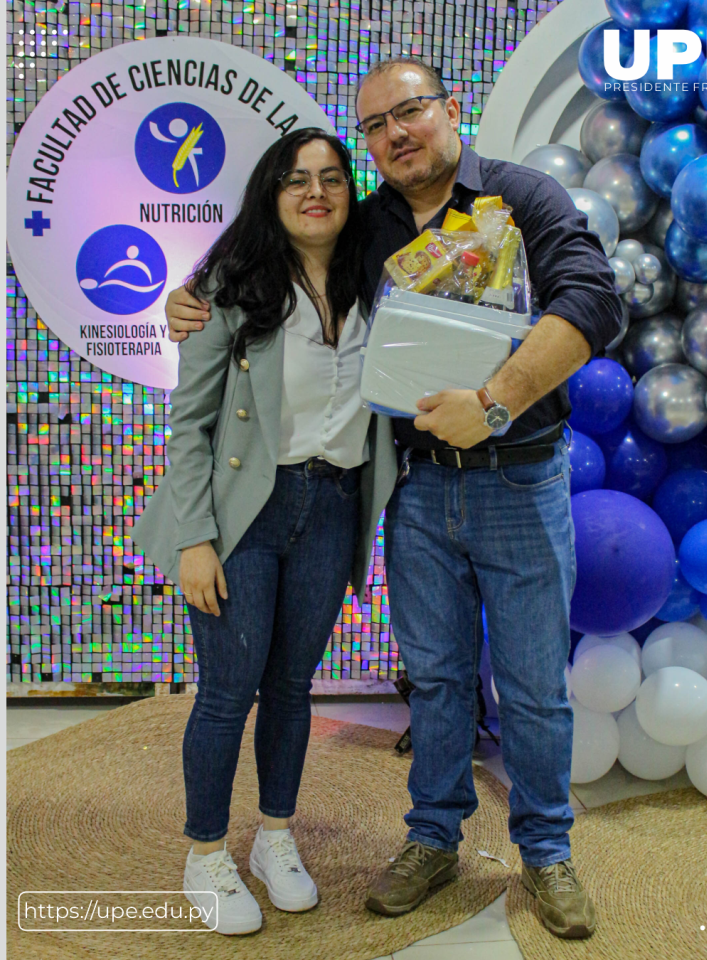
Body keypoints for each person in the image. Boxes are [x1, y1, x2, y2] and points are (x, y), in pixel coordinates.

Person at [163, 58, 623, 940]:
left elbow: (592, 301)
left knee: (532, 690)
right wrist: (189, 298)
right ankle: (431, 839)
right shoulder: (366, 225)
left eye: (409, 111)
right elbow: (261, 261)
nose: (394, 134)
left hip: (519, 482)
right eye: (375, 125)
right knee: (439, 683)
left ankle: (547, 852)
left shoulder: (522, 199)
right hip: (413, 497)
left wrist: (493, 405)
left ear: (451, 110)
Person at [133, 127, 396, 936]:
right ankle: (205, 852)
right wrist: (192, 537)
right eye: (295, 179)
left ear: (350, 195)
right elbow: (189, 425)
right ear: (270, 193)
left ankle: (275, 837)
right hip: (245, 513)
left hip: (333, 506)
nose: (314, 192)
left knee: (290, 689)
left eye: (330, 179)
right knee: (227, 692)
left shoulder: (376, 283)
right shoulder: (230, 284)